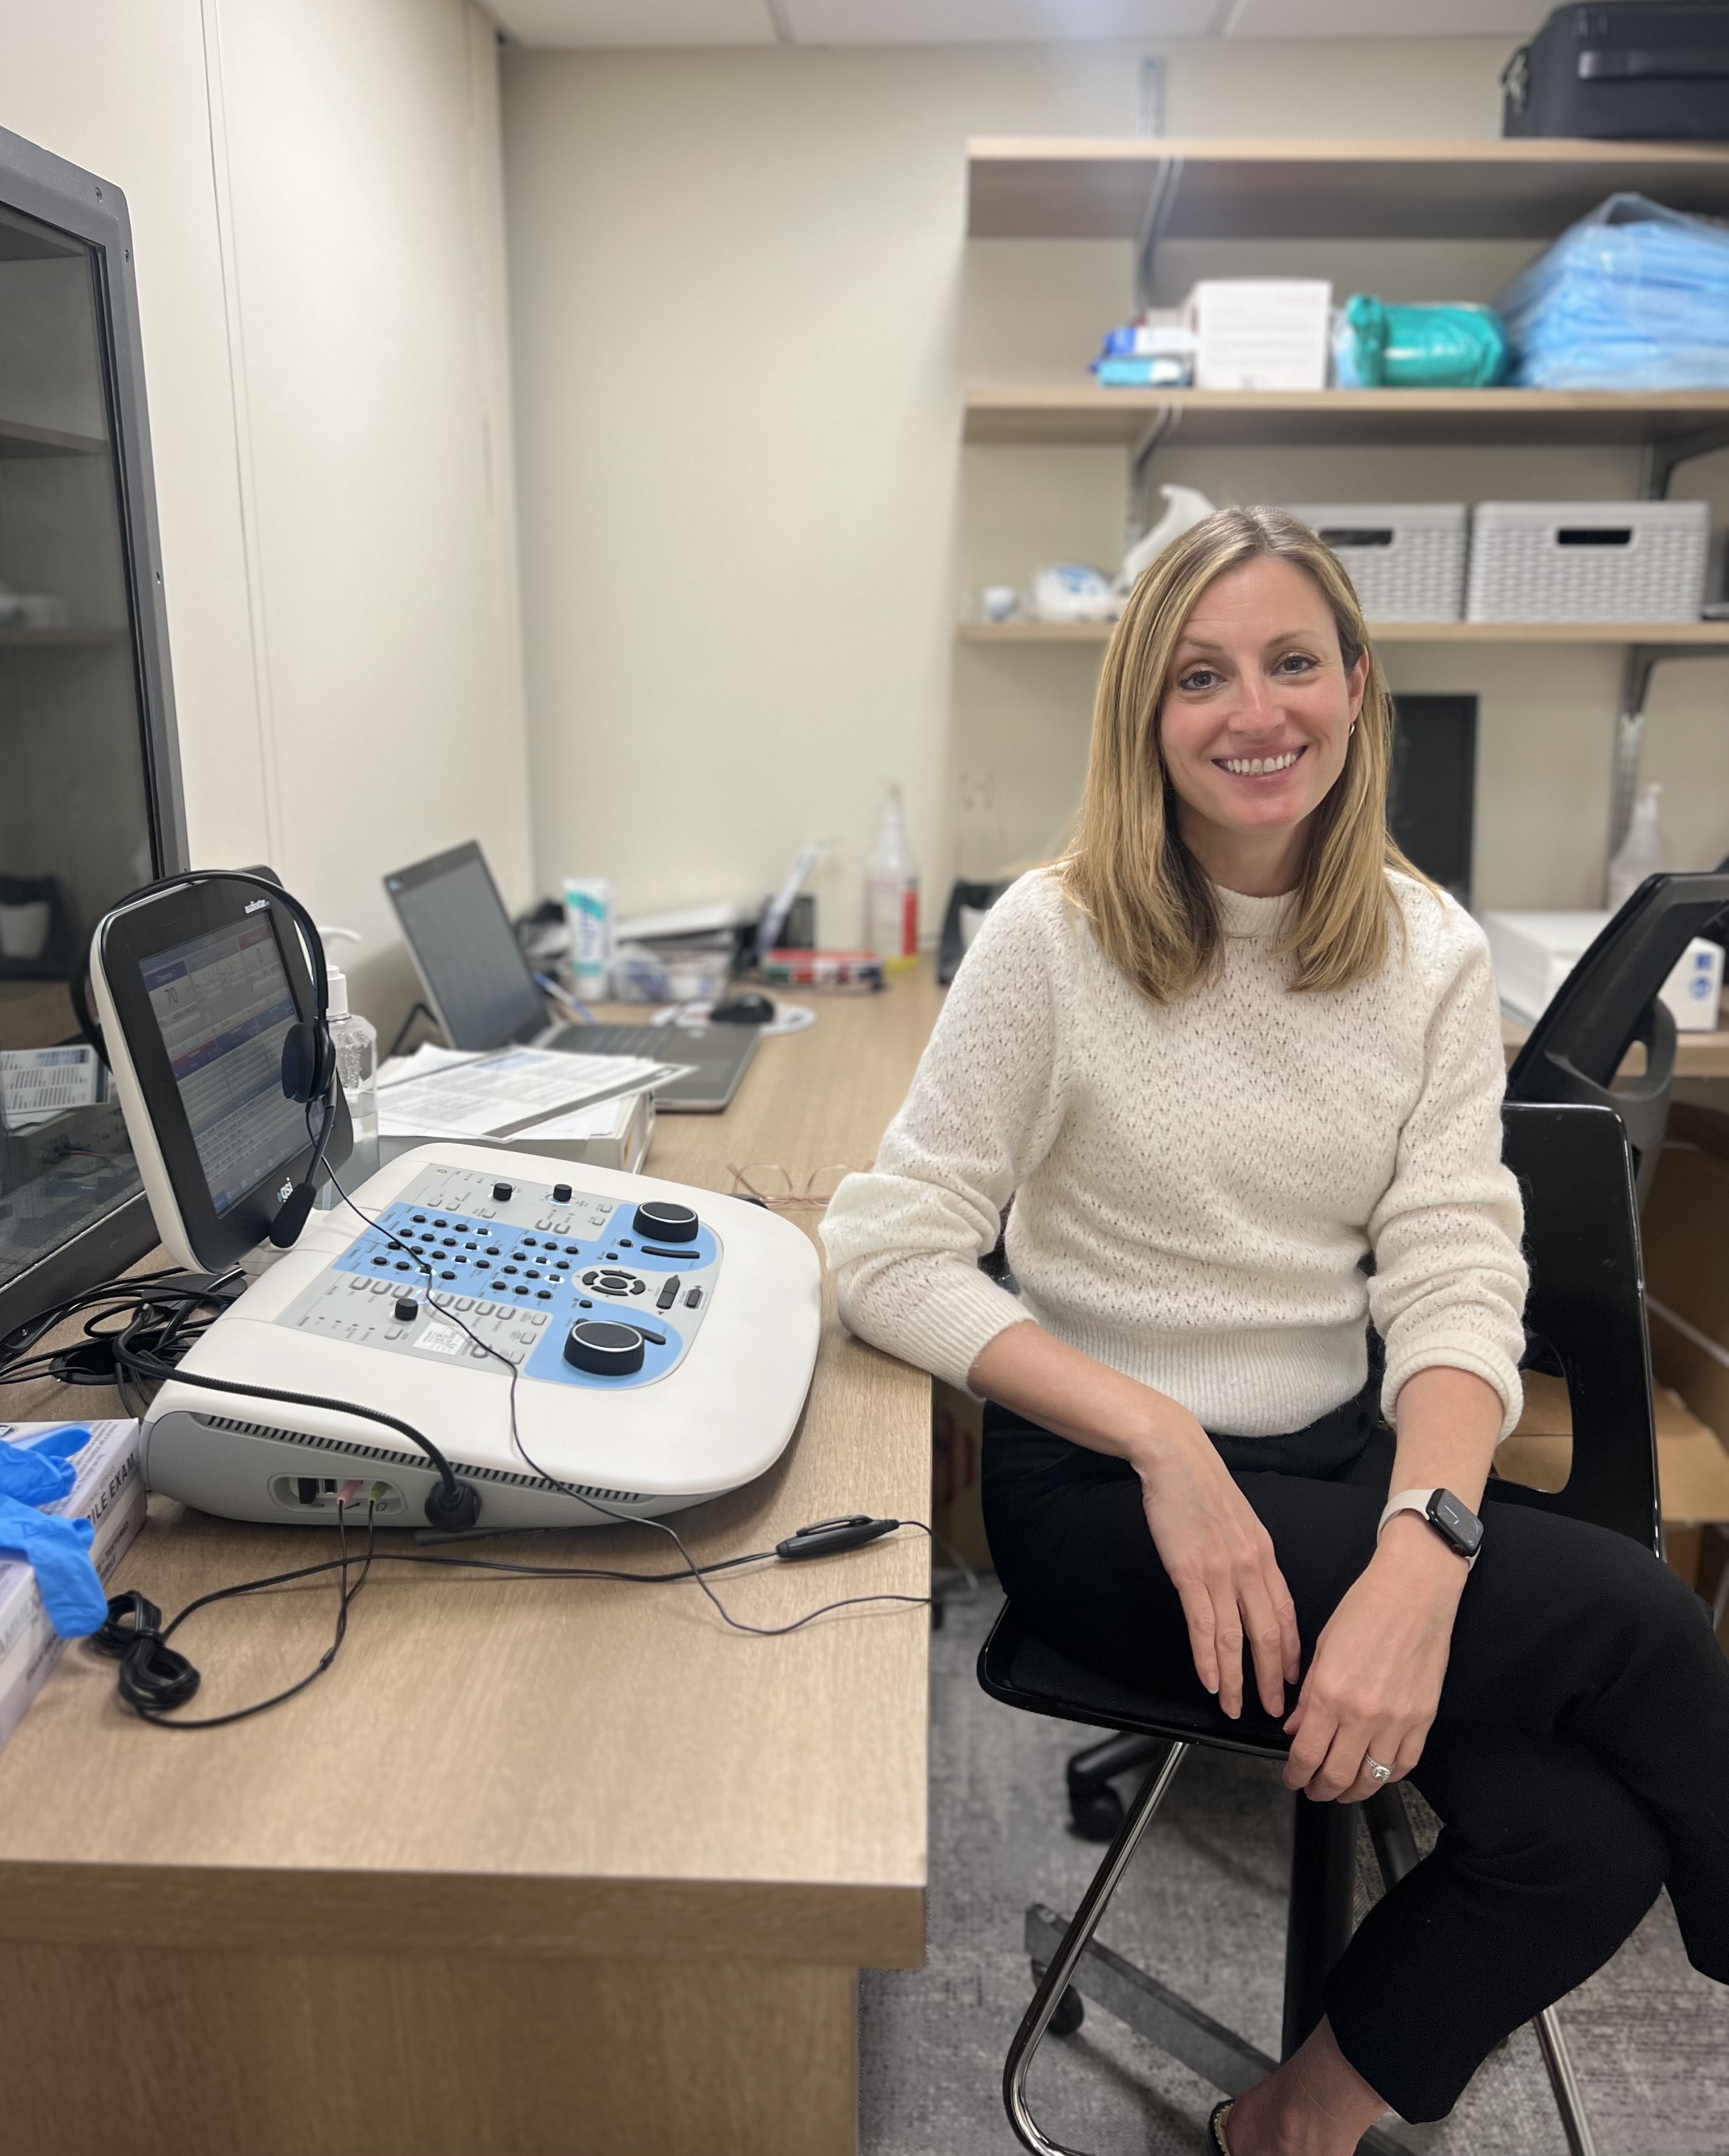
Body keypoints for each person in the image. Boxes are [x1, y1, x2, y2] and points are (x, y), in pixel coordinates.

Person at [821, 508, 1729, 2154]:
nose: (1256, 713)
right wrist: (1157, 1433)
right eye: (1200, 676)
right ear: (1141, 717)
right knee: (1642, 1628)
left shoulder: (1425, 952)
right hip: (1104, 1496)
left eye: (1292, 662)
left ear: (1356, 686)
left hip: (1336, 1470)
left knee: (1583, 1842)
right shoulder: (1052, 935)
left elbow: (1455, 1271)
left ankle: (1286, 2127)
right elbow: (883, 1250)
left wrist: (1419, 1545)